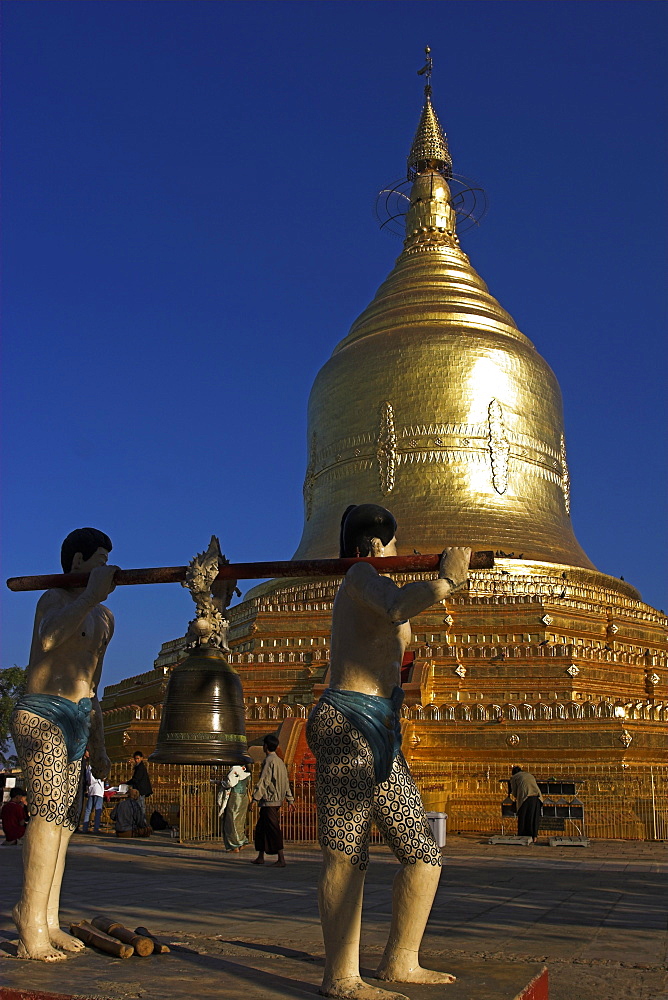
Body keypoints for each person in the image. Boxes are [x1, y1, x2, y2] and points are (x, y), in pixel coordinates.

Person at [307, 504, 471, 999]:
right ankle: (341, 978)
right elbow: (398, 608)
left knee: (423, 854)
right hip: (346, 722)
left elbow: (396, 632)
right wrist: (443, 585)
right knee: (346, 852)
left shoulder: (380, 591)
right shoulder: (360, 576)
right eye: (397, 546)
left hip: (380, 727)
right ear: (377, 547)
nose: (403, 555)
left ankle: (401, 959)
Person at [10, 527, 117, 961]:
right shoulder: (53, 599)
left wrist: (102, 742)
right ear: (77, 563)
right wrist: (89, 595)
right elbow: (50, 639)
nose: (107, 568)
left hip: (77, 717)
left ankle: (48, 919)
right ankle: (28, 920)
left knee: (65, 823)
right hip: (42, 712)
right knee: (47, 816)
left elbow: (93, 684)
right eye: (99, 560)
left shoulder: (105, 618)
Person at [251, 735, 294, 867]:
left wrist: (255, 798)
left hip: (269, 801)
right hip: (276, 800)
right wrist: (290, 799)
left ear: (265, 746)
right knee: (262, 828)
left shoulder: (269, 761)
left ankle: (281, 858)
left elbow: (265, 780)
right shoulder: (280, 761)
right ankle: (260, 856)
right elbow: (286, 781)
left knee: (273, 829)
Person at [220, 763, 251, 852]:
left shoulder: (235, 770)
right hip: (243, 797)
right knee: (239, 821)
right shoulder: (246, 773)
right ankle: (241, 841)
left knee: (231, 821)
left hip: (235, 797)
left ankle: (235, 844)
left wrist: (221, 783)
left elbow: (230, 783)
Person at [509, 766, 543, 842]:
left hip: (525, 797)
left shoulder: (514, 777)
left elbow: (514, 792)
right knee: (534, 817)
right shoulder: (529, 775)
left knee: (523, 817)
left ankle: (523, 836)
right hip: (537, 797)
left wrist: (516, 798)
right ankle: (534, 837)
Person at [82, 751, 105, 834]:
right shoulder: (99, 766)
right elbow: (102, 777)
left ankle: (85, 827)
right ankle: (96, 828)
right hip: (98, 789)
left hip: (91, 789)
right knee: (97, 810)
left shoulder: (89, 767)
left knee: (88, 809)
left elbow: (88, 779)